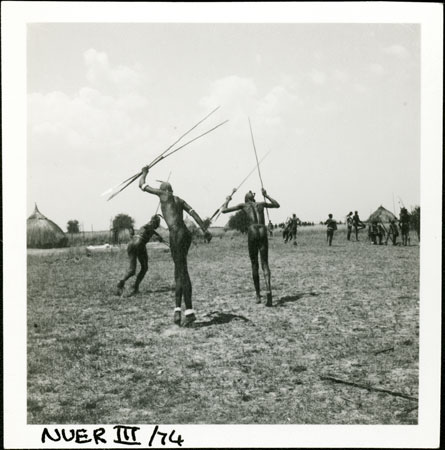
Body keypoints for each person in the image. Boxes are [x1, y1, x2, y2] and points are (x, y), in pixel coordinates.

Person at [139, 166, 212, 327]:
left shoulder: (163, 194)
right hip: (185, 234)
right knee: (179, 269)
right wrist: (204, 230)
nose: (158, 190)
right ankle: (178, 310)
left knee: (182, 271)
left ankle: (189, 311)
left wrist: (144, 172)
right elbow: (193, 213)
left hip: (176, 235)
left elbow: (142, 185)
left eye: (160, 188)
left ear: (164, 190)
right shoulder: (179, 199)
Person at [221, 188, 280, 306]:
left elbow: (224, 210)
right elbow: (276, 205)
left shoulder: (243, 205)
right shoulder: (261, 204)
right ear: (252, 198)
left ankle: (258, 295)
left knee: (254, 264)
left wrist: (227, 200)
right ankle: (268, 290)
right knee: (265, 263)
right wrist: (266, 195)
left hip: (252, 230)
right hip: (263, 229)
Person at [116, 214, 162, 296]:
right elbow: (149, 227)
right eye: (157, 224)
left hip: (131, 244)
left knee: (132, 270)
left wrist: (158, 236)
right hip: (139, 244)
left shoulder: (144, 227)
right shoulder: (149, 226)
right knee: (144, 267)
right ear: (154, 222)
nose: (157, 226)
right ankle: (135, 287)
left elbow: (150, 230)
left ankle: (121, 281)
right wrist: (157, 235)